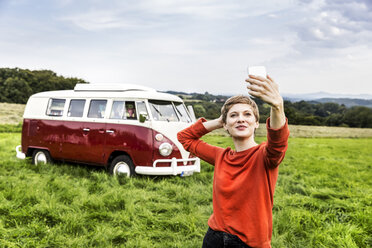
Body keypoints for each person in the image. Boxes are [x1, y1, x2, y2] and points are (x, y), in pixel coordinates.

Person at [177, 74, 289, 248]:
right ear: (226, 124)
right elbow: (185, 138)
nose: (241, 119)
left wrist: (277, 107)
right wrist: (220, 120)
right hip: (214, 238)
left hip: (248, 244)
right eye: (234, 115)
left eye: (247, 114)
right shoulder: (220, 156)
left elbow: (278, 142)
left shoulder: (266, 156)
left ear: (256, 123)